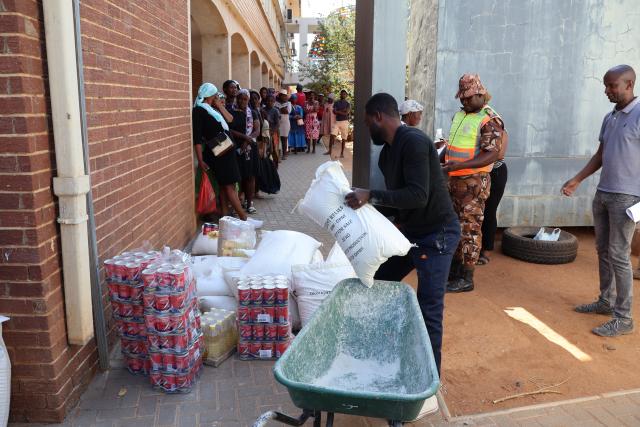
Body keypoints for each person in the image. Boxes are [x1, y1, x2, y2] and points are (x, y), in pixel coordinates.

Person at [345, 93, 460, 375]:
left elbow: (418, 196)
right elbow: (400, 199)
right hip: (412, 234)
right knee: (378, 279)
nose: (365, 128)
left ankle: (428, 380)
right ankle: (388, 346)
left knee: (429, 310)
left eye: (366, 122)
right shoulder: (387, 154)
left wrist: (370, 196)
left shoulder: (415, 142)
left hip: (437, 236)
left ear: (378, 117)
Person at [563, 65, 640, 337]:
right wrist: (578, 179)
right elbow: (601, 154)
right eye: (606, 86)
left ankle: (624, 318)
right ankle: (606, 302)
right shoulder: (610, 117)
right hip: (604, 193)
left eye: (612, 86)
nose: (607, 91)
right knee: (603, 251)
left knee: (619, 254)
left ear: (629, 84)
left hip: (628, 197)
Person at [443, 74, 504, 293]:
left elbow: (491, 155)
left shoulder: (489, 119)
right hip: (454, 182)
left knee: (469, 228)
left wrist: (453, 168)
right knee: (454, 227)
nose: (464, 102)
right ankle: (454, 271)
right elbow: (453, 146)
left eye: (468, 98)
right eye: (462, 98)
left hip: (473, 184)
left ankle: (466, 277)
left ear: (480, 94)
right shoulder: (461, 115)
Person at [192, 82, 247, 221]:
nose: (217, 96)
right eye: (215, 94)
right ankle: (244, 218)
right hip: (218, 154)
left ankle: (224, 216)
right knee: (230, 186)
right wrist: (200, 160)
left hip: (226, 151)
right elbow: (197, 138)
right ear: (209, 94)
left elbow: (230, 120)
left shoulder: (212, 110)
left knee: (224, 186)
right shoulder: (199, 110)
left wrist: (219, 105)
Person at [478, 129, 509, 265]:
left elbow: (500, 155)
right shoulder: (475, 127)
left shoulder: (501, 131)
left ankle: (486, 250)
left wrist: (473, 157)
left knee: (489, 211)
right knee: (471, 212)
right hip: (474, 173)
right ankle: (472, 247)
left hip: (494, 172)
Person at [229, 89, 260, 214]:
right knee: (239, 176)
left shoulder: (253, 113)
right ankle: (238, 201)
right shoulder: (232, 112)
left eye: (245, 99)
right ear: (237, 99)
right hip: (236, 148)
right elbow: (230, 130)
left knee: (250, 176)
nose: (242, 101)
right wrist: (244, 137)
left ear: (248, 100)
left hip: (250, 148)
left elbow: (257, 130)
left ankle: (249, 202)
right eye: (240, 98)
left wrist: (247, 140)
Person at [327, 89, 350, 158]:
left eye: (344, 94)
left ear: (346, 95)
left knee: (344, 138)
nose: (343, 95)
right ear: (340, 95)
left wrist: (338, 111)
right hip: (337, 121)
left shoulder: (348, 103)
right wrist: (341, 111)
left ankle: (342, 153)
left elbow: (346, 113)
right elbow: (334, 111)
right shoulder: (336, 102)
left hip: (345, 122)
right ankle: (329, 151)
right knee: (332, 135)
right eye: (342, 94)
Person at [262, 94, 280, 165]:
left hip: (273, 131)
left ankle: (276, 164)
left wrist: (272, 132)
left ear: (274, 102)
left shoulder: (275, 111)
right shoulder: (262, 110)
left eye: (271, 101)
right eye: (268, 101)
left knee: (274, 149)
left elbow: (277, 124)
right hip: (265, 132)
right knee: (266, 149)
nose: (269, 102)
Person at [274, 90, 292, 159]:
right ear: (280, 96)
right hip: (277, 122)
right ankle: (278, 153)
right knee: (277, 138)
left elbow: (287, 111)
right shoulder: (275, 103)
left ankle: (285, 153)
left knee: (284, 138)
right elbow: (277, 111)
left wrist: (279, 109)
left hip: (285, 122)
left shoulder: (289, 103)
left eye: (285, 96)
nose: (284, 97)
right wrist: (281, 109)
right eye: (282, 95)